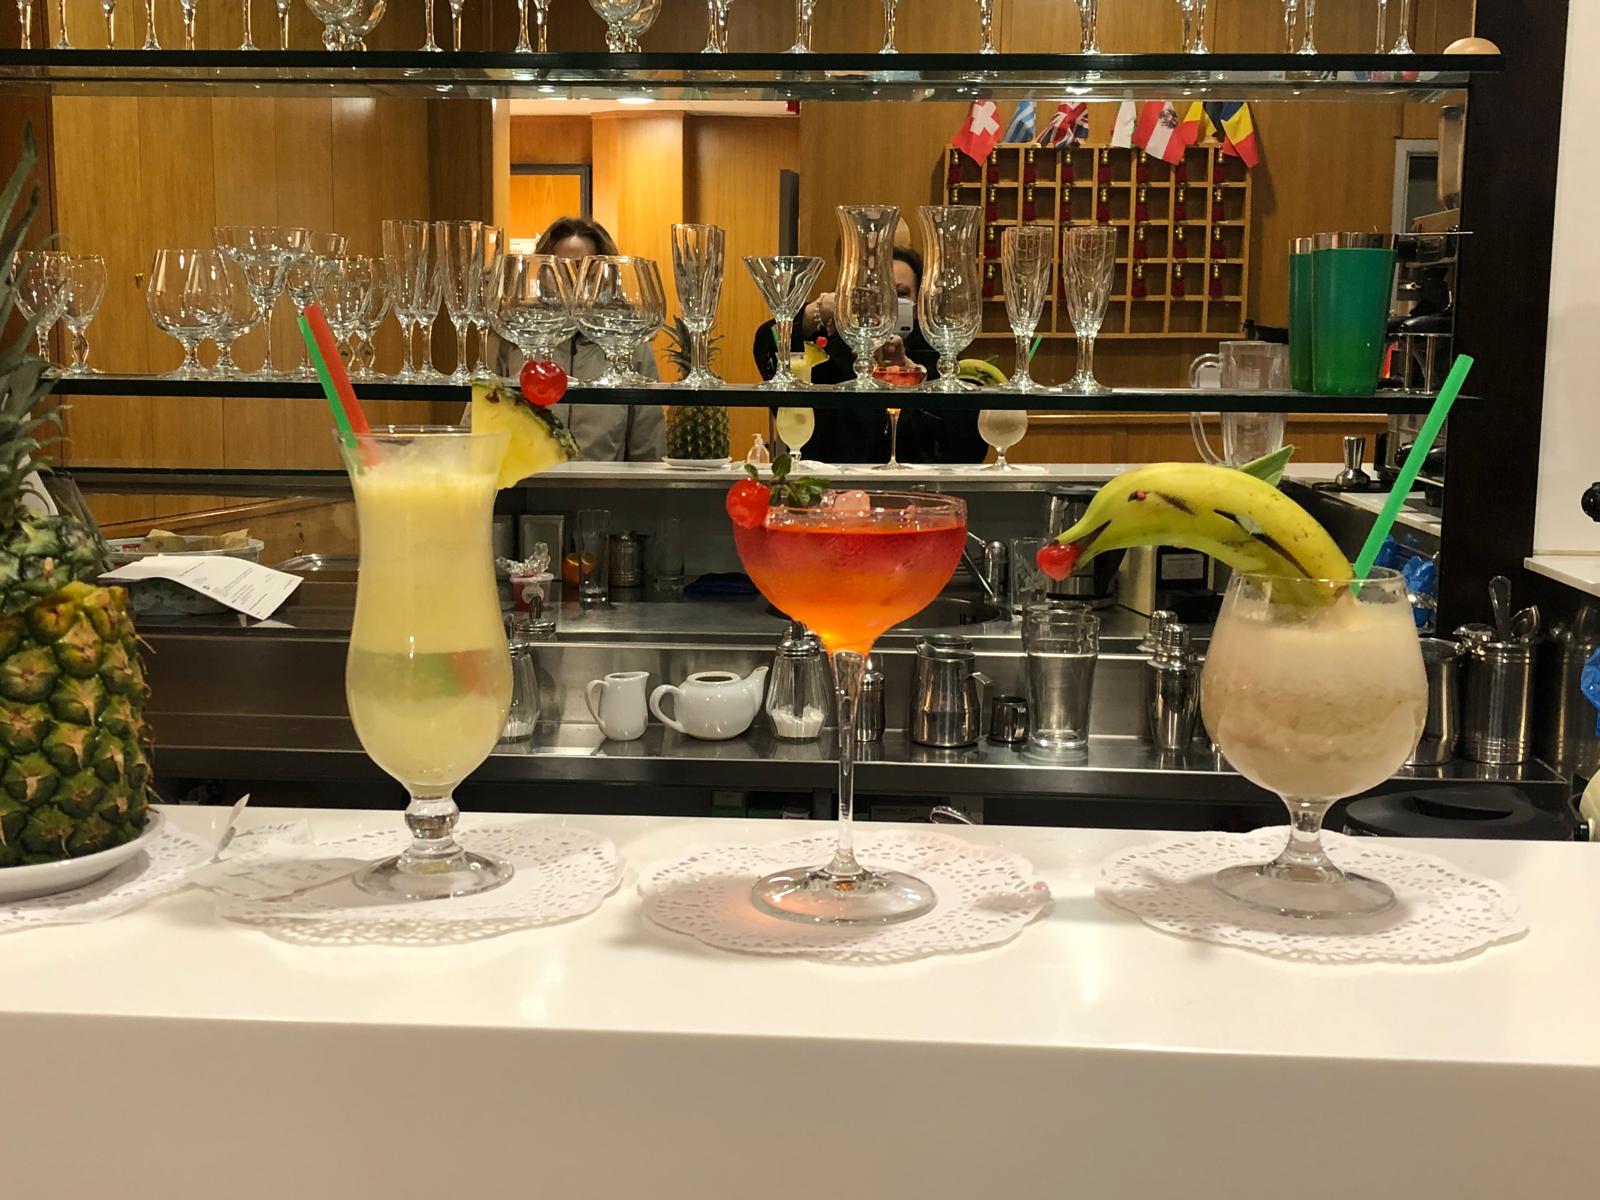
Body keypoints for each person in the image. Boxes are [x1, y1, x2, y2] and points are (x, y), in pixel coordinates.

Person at [751, 246, 986, 465]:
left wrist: (912, 377)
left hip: (914, 488)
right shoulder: (828, 353)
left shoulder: (938, 353)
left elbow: (968, 447)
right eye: (875, 294)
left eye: (901, 294)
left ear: (918, 304)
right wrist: (819, 309)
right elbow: (768, 345)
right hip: (833, 487)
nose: (887, 303)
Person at [496, 216, 665, 463]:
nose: (573, 280)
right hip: (525, 484)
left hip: (605, 485)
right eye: (559, 269)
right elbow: (479, 429)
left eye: (583, 269)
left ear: (604, 276)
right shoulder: (514, 338)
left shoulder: (630, 345)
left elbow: (648, 447)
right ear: (542, 273)